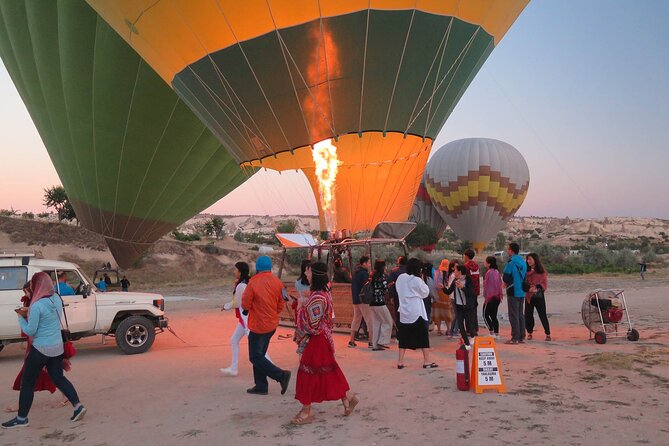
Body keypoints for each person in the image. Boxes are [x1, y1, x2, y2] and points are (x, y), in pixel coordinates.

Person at [2, 272, 86, 429]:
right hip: (57, 347)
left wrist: (21, 317)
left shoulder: (37, 306)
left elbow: (30, 331)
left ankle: (21, 419)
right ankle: (78, 406)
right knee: (59, 378)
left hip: (41, 348)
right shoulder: (56, 299)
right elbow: (51, 318)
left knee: (27, 383)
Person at [291, 262, 359, 424]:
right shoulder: (320, 294)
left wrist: (301, 307)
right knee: (328, 371)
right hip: (321, 339)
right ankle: (347, 398)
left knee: (307, 373)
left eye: (308, 272)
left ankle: (307, 411)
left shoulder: (318, 297)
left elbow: (312, 324)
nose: (306, 274)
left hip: (317, 339)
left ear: (314, 275)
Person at [241, 256, 292, 396]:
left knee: (255, 357)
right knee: (260, 355)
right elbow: (282, 302)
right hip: (271, 324)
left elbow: (245, 304)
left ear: (257, 268)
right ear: (270, 268)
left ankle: (281, 375)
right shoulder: (278, 282)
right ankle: (261, 385)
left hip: (258, 325)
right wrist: (273, 313)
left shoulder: (253, 282)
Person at [6, 283, 57, 413]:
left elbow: (32, 329)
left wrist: (22, 316)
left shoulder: (39, 303)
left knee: (29, 377)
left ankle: (21, 412)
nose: (26, 295)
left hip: (40, 344)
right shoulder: (38, 302)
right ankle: (72, 400)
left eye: (27, 292)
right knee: (54, 373)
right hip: (43, 344)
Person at [221, 262, 272, 376]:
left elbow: (238, 303)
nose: (234, 272)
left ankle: (274, 369)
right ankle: (234, 368)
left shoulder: (241, 285)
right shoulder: (248, 282)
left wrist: (226, 306)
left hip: (247, 320)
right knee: (234, 340)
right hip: (245, 319)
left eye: (236, 270)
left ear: (240, 271)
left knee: (258, 349)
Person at [395, 258, 437, 369]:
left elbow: (398, 290)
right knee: (423, 336)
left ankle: (400, 361)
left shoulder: (401, 278)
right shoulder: (417, 280)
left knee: (403, 337)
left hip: (404, 310)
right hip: (416, 311)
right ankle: (427, 361)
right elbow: (425, 293)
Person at [444, 266, 477, 350]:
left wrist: (462, 287)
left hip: (468, 306)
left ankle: (473, 336)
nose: (454, 271)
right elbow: (449, 291)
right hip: (458, 306)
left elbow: (471, 293)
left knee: (469, 324)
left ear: (460, 271)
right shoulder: (455, 280)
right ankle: (467, 343)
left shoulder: (468, 280)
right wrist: (443, 288)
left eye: (455, 270)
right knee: (460, 325)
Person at [503, 242, 527, 345]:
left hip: (513, 290)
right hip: (522, 290)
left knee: (513, 315)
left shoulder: (511, 261)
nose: (507, 251)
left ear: (511, 251)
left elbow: (506, 276)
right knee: (520, 314)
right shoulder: (523, 261)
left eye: (508, 249)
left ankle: (515, 337)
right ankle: (521, 336)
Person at [348, 256, 373, 348]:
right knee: (370, 320)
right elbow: (366, 287)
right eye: (368, 263)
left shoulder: (355, 273)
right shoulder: (364, 273)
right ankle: (371, 341)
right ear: (364, 263)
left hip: (355, 299)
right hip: (363, 300)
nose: (369, 264)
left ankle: (351, 340)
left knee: (356, 319)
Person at [525, 253, 551, 341]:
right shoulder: (526, 271)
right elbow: (523, 282)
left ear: (535, 260)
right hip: (528, 295)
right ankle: (529, 333)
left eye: (530, 259)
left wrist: (536, 288)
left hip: (538, 296)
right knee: (528, 315)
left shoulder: (541, 271)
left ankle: (548, 333)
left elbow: (544, 283)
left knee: (542, 314)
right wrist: (529, 288)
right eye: (527, 259)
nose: (528, 261)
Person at [369, 260, 393, 351]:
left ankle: (375, 344)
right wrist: (390, 285)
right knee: (388, 321)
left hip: (372, 302)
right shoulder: (382, 276)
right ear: (382, 267)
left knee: (376, 323)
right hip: (380, 302)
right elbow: (385, 289)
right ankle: (382, 341)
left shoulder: (372, 275)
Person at [482, 256, 504, 339]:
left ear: (489, 263)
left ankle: (491, 332)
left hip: (490, 297)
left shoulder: (489, 272)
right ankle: (496, 333)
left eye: (485, 261)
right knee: (493, 315)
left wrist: (486, 296)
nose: (484, 262)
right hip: (497, 297)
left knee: (485, 315)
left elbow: (487, 286)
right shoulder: (496, 272)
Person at [462, 249, 481, 337]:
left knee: (468, 311)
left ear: (466, 256)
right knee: (474, 310)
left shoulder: (466, 266)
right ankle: (475, 328)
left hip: (468, 290)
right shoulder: (476, 266)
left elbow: (464, 278)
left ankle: (470, 330)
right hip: (476, 290)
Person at [388, 256, 407, 326]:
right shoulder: (409, 270)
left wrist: (391, 296)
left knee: (398, 313)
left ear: (399, 262)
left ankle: (400, 330)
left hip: (397, 295)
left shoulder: (394, 271)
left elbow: (390, 284)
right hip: (408, 295)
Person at [421, 263, 437, 330]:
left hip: (418, 299)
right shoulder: (428, 279)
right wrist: (435, 298)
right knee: (426, 314)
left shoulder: (418, 278)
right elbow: (432, 290)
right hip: (426, 299)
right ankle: (425, 328)